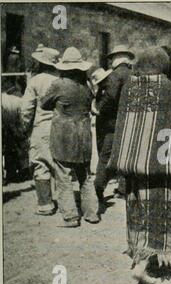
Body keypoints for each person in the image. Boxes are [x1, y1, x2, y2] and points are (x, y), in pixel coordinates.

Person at [110, 46, 171, 284]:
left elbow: (123, 123)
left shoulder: (130, 86)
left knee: (138, 212)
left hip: (133, 167)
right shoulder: (166, 87)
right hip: (161, 169)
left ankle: (140, 254)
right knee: (160, 213)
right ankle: (142, 267)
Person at [41, 47, 99, 227]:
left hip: (63, 134)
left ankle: (70, 216)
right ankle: (92, 213)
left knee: (63, 175)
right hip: (84, 133)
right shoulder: (87, 85)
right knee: (86, 175)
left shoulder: (58, 84)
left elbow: (44, 104)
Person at [20, 44, 60, 215]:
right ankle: (69, 202)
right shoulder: (60, 79)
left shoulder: (35, 81)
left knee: (40, 163)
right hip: (60, 126)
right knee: (61, 165)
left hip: (41, 127)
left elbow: (26, 109)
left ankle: (45, 204)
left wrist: (25, 128)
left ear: (41, 63)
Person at [94, 45, 134, 204]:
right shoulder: (135, 75)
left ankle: (98, 188)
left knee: (106, 156)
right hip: (130, 122)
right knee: (127, 154)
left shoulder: (115, 76)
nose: (110, 62)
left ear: (117, 58)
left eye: (112, 59)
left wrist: (98, 109)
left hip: (113, 123)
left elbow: (110, 97)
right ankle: (123, 189)